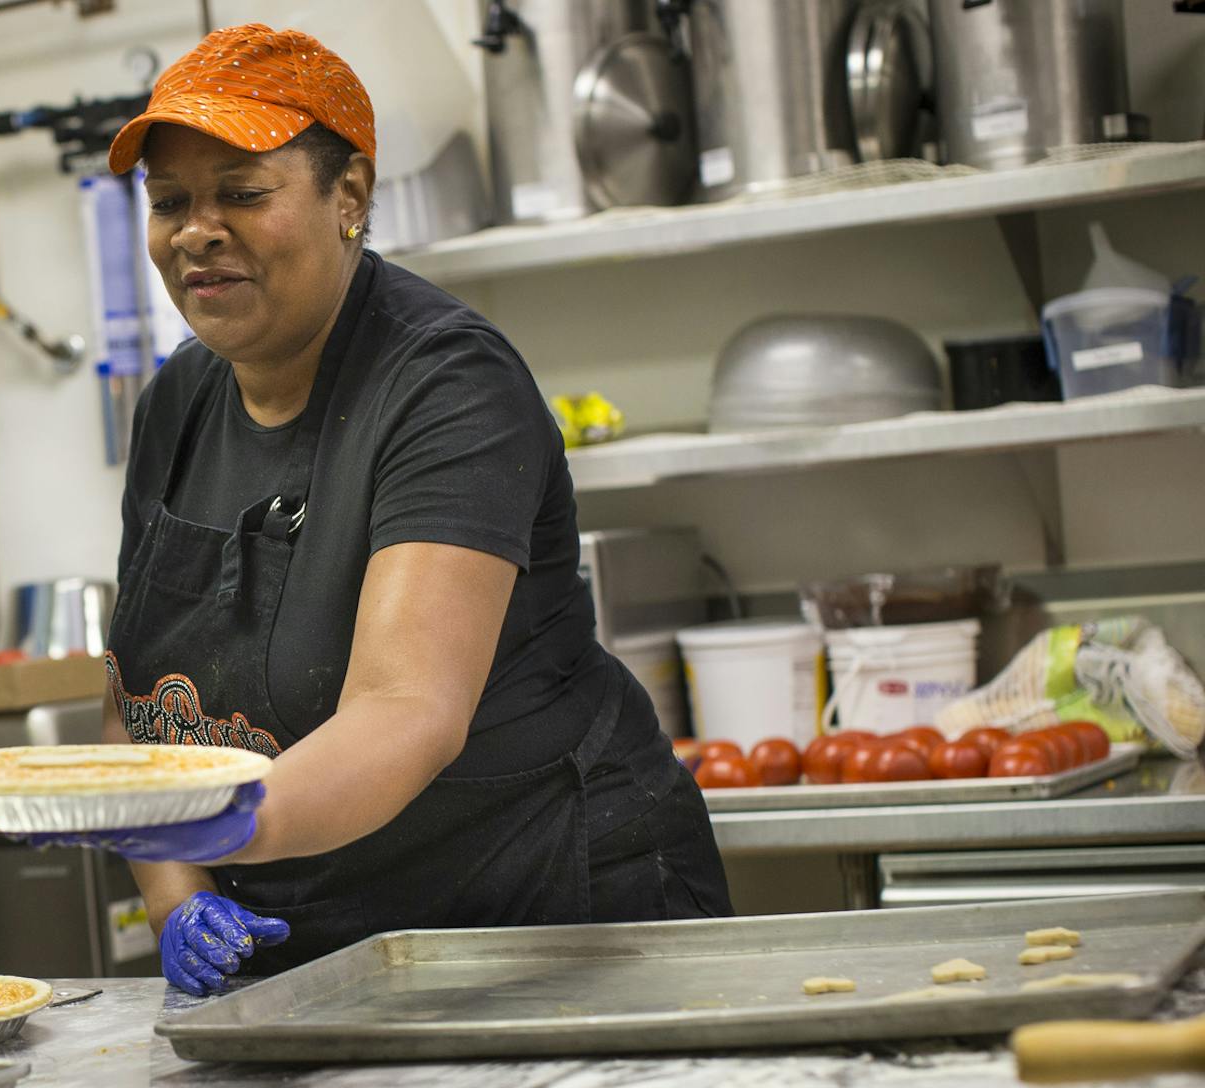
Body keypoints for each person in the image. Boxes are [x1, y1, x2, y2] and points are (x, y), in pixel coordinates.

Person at [38, 25, 731, 996]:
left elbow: (409, 710)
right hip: (325, 954)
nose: (197, 230)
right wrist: (176, 896)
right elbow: (138, 719)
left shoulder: (447, 386)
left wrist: (226, 820)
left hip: (544, 931)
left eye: (242, 193)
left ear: (350, 197)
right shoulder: (178, 405)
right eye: (171, 203)